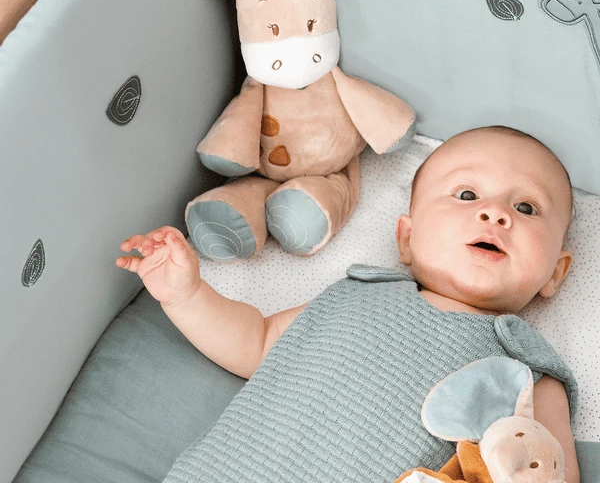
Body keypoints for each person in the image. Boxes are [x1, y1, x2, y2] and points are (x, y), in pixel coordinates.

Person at [117, 126, 580, 483]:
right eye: (467, 195)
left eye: (526, 208)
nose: (494, 213)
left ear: (555, 273)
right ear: (407, 237)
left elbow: (548, 467)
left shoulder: (528, 369)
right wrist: (186, 294)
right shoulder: (359, 292)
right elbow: (256, 341)